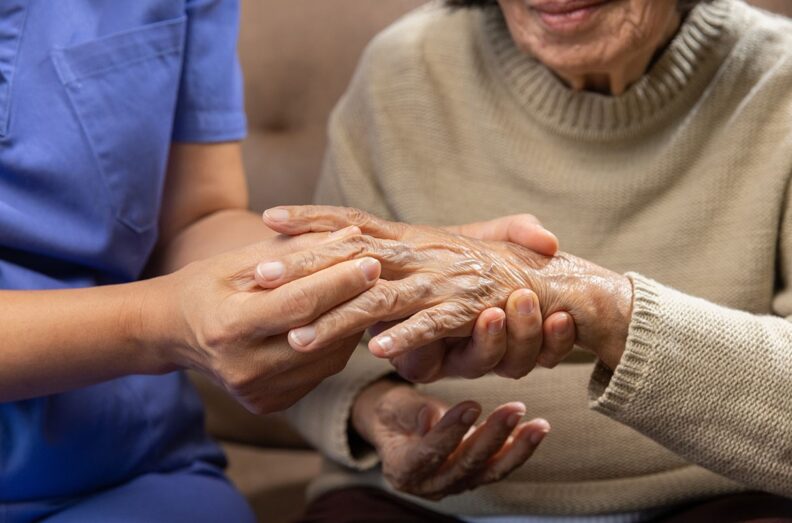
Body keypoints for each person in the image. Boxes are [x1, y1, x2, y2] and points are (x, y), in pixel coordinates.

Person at [0, 1, 560, 521]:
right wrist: (159, 323)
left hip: (126, 459)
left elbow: (195, 220)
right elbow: (169, 313)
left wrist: (381, 255)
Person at [257, 0, 792, 520]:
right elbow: (312, 345)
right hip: (414, 506)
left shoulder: (779, 77)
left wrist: (598, 306)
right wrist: (376, 411)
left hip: (717, 494)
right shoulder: (400, 68)